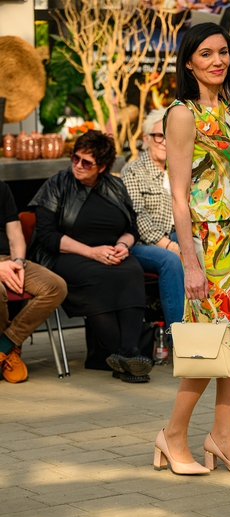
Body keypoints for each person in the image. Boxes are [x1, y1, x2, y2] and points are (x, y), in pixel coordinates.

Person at [154, 22, 230, 476]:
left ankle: (222, 437)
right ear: (188, 62)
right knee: (209, 344)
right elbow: (179, 196)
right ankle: (173, 435)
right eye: (206, 54)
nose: (218, 61)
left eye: (223, 52)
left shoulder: (227, 109)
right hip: (208, 242)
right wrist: (190, 261)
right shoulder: (183, 114)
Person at [28, 130, 153, 384]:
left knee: (132, 270)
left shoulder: (115, 186)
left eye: (87, 162)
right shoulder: (57, 184)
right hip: (65, 255)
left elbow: (132, 228)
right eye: (75, 158)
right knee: (96, 277)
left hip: (110, 253)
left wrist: (123, 245)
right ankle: (127, 356)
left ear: (102, 167)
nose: (78, 165)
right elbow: (47, 235)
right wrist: (91, 252)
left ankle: (127, 354)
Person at [121, 108, 185, 330]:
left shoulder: (181, 168)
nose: (165, 142)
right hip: (142, 243)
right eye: (159, 136)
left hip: (179, 235)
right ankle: (179, 336)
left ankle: (214, 331)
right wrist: (170, 245)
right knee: (171, 260)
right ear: (146, 139)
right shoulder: (133, 171)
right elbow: (138, 218)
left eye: (170, 136)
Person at [0, 180, 67, 383]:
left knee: (55, 286)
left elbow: (15, 234)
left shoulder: (2, 188)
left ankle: (5, 345)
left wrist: (18, 262)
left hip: (8, 259)